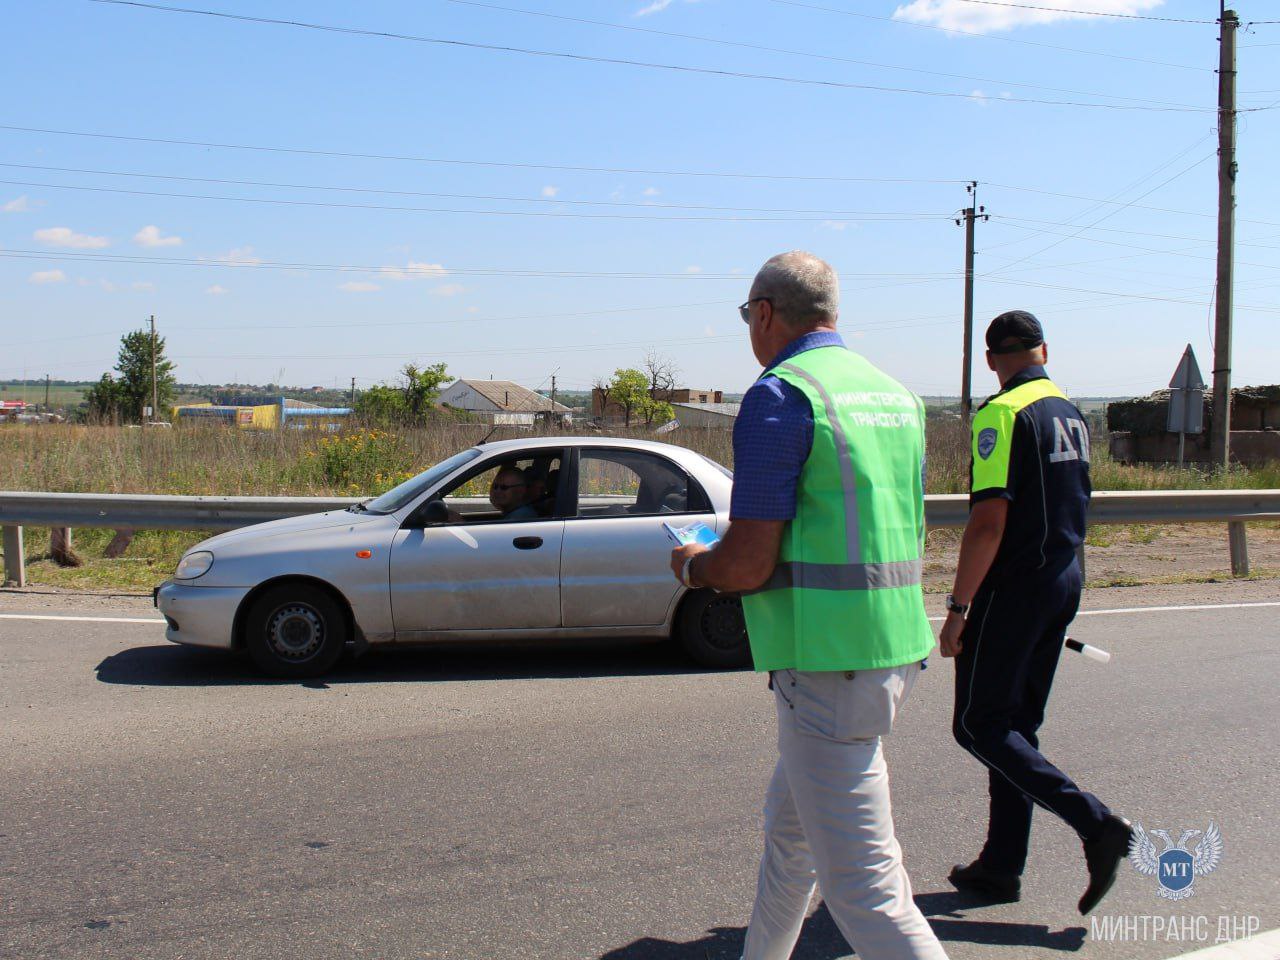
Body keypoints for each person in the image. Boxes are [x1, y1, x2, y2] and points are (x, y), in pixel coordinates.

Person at [669, 251, 947, 960]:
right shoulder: (894, 395)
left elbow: (750, 562)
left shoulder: (781, 396)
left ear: (764, 313)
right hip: (890, 650)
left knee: (868, 895)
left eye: (745, 317)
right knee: (790, 839)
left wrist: (696, 568)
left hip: (827, 665)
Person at [939, 310, 1131, 915]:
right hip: (1063, 578)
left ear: (993, 359)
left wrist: (958, 606)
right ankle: (1000, 867)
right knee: (1015, 727)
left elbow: (988, 522)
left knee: (978, 725)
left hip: (1014, 588)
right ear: (1044, 351)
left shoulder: (1001, 414)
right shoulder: (1071, 412)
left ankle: (1096, 823)